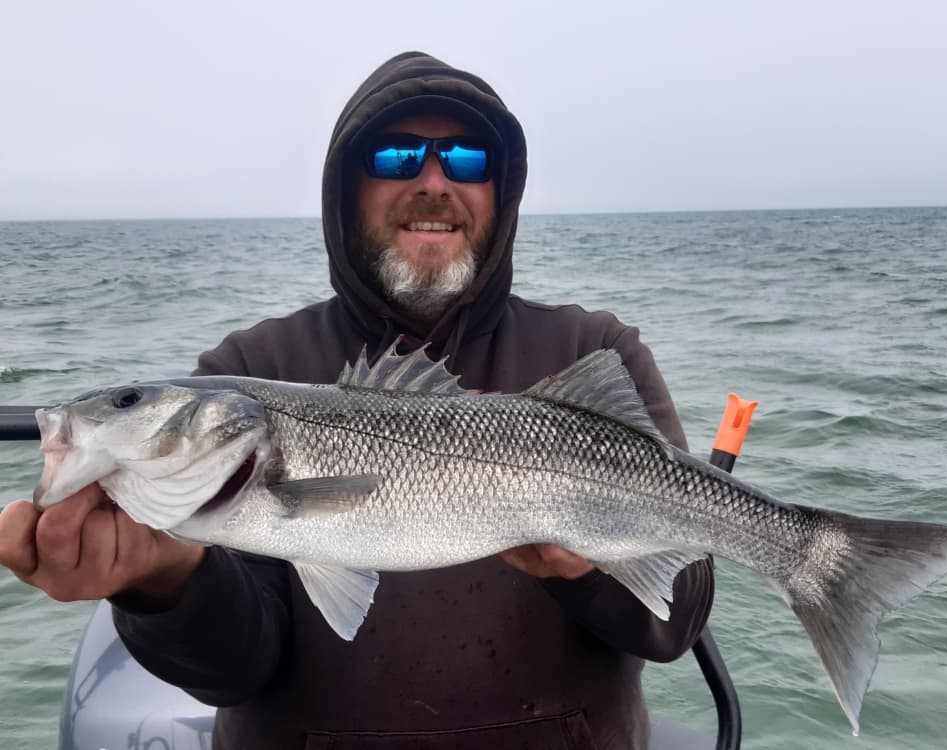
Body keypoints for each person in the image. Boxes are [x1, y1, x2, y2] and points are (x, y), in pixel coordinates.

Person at [0, 51, 714, 749]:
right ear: (345, 189)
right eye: (396, 158)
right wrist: (162, 582)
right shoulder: (251, 365)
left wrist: (588, 570)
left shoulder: (591, 349)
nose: (434, 184)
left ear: (503, 191)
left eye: (468, 161)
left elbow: (674, 624)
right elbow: (232, 669)